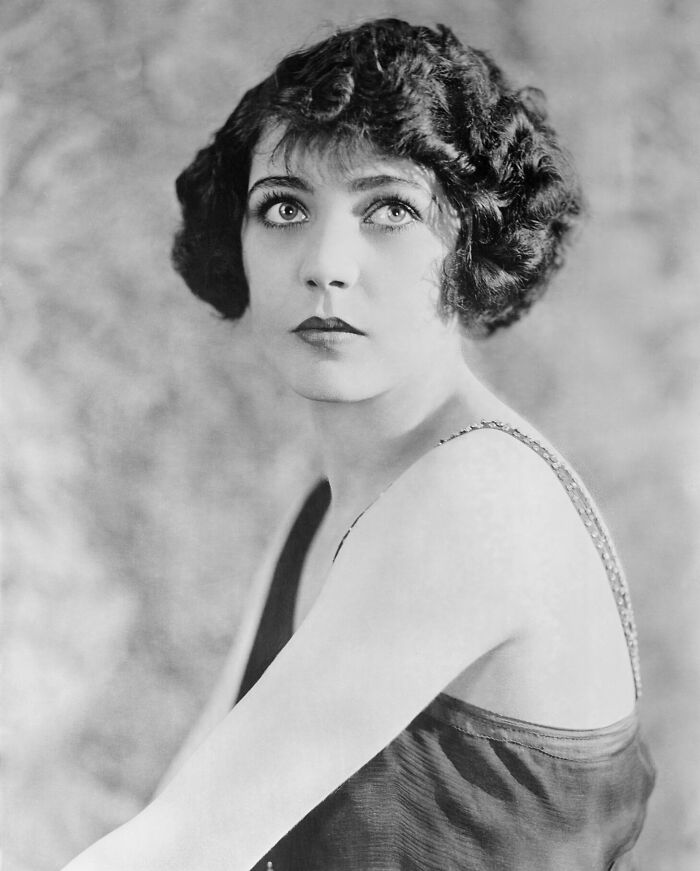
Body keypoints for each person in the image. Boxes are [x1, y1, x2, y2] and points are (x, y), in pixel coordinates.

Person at [63, 18, 655, 871]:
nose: (326, 263)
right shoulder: (326, 505)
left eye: (389, 209)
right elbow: (181, 806)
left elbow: (185, 849)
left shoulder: (480, 498)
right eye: (285, 208)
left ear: (471, 245)